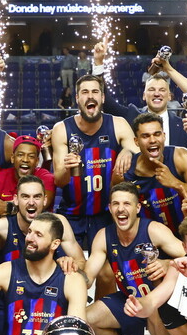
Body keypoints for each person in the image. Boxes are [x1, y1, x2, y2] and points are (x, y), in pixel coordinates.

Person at [83, 183, 187, 335]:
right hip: (128, 301)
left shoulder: (154, 230)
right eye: (116, 204)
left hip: (159, 301)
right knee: (84, 318)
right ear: (110, 208)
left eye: (127, 204)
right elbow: (87, 277)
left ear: (137, 208)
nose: (121, 209)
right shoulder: (104, 236)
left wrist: (167, 263)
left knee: (154, 306)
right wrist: (67, 275)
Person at [50, 74, 139, 248]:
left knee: (107, 264)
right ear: (77, 98)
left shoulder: (118, 124)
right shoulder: (61, 129)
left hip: (107, 213)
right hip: (72, 214)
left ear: (103, 97)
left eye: (95, 92)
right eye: (85, 92)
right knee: (68, 263)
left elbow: (139, 158)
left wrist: (128, 151)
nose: (90, 96)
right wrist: (67, 169)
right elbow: (59, 180)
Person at [123, 113, 187, 232]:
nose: (152, 140)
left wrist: (175, 183)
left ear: (164, 136)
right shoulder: (126, 170)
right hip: (150, 238)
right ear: (136, 141)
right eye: (145, 136)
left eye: (157, 134)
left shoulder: (181, 157)